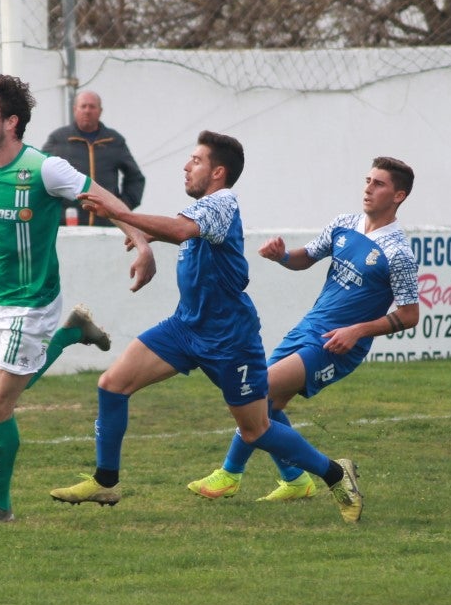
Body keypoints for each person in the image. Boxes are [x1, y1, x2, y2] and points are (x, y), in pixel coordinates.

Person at [49, 131, 365, 523]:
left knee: (256, 430)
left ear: (218, 172)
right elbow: (174, 231)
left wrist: (122, 212)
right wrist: (145, 242)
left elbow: (179, 231)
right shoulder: (204, 208)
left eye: (195, 160)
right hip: (186, 326)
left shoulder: (222, 202)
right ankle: (105, 480)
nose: (186, 166)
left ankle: (336, 474)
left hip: (230, 339)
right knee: (113, 384)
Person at [0, 74, 156, 524]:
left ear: (11, 122)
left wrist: (140, 240)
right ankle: (70, 334)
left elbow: (101, 197)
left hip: (33, 302)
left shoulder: (45, 168)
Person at [187, 157, 420, 501]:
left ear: (398, 195)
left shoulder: (398, 252)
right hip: (309, 328)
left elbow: (410, 313)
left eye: (379, 184)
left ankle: (230, 474)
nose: (368, 188)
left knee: (256, 393)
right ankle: (295, 479)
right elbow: (307, 256)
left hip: (337, 345)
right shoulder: (344, 223)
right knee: (269, 402)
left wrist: (357, 331)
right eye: (367, 180)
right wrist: (282, 256)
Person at [43, 89, 145, 227]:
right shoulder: (59, 139)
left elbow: (135, 178)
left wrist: (122, 208)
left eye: (92, 106)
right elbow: (41, 175)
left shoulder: (114, 140)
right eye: (83, 106)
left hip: (107, 225)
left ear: (100, 111)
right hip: (67, 225)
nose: (87, 111)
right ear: (75, 110)